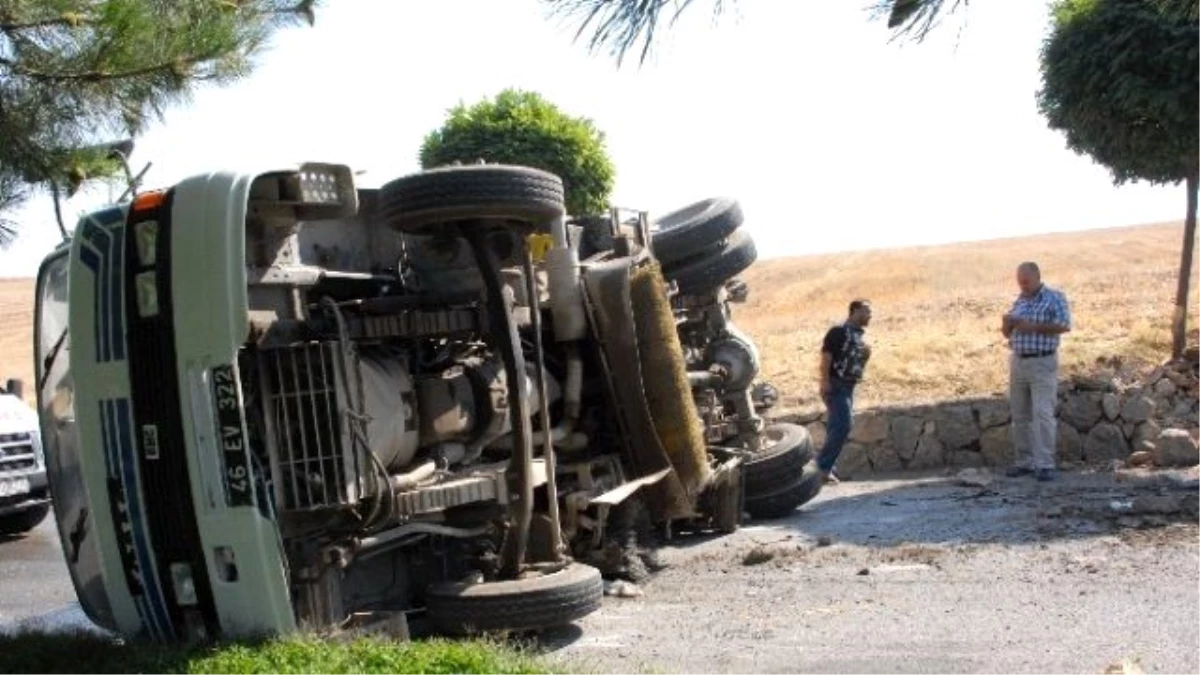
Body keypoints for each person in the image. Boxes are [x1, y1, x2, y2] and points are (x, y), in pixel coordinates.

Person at [1001, 262, 1071, 482]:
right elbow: (1007, 334)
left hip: (1042, 361)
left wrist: (1032, 326)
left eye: (1025, 281)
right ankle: (1024, 462)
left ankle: (1045, 464)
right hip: (1019, 361)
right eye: (1019, 282)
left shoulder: (1054, 298)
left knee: (1042, 414)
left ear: (1037, 277)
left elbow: (1064, 325)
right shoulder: (1020, 300)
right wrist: (1007, 324)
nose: (1022, 285)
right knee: (1020, 414)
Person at [816, 299, 872, 484]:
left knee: (836, 427)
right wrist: (824, 381)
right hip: (836, 384)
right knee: (843, 425)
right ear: (854, 311)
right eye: (866, 311)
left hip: (848, 386)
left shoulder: (857, 336)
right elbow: (826, 357)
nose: (869, 316)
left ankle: (827, 469)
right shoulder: (838, 331)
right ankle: (822, 468)